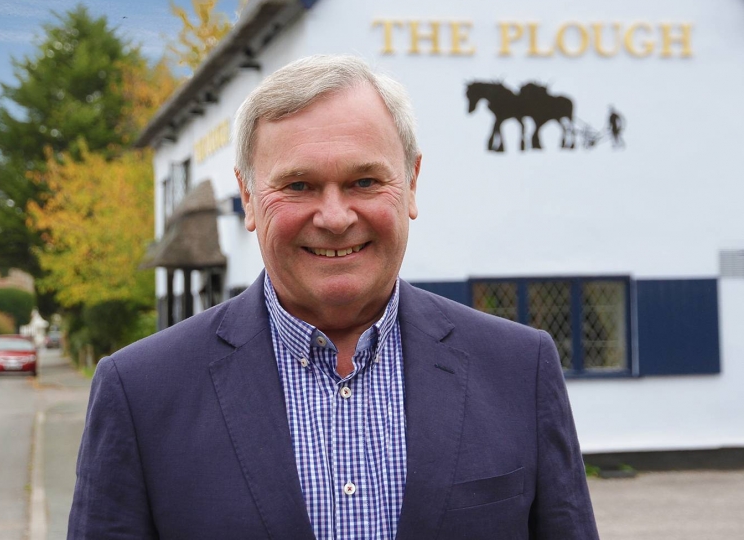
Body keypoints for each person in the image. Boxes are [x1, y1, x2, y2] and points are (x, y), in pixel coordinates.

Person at [68, 55, 599, 540]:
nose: (336, 217)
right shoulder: (139, 393)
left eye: (365, 181)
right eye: (298, 186)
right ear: (249, 197)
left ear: (412, 184)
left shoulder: (519, 370)